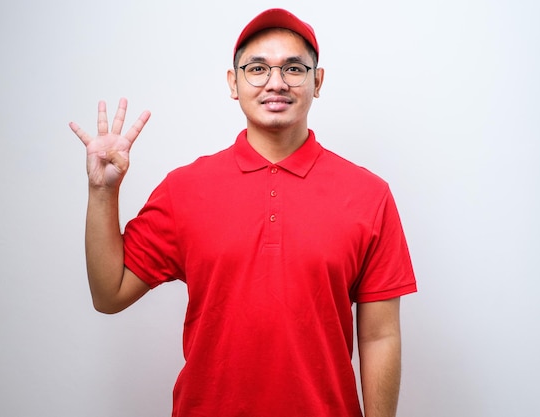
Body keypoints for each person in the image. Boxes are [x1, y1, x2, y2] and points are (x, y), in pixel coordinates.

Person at [69, 8, 416, 417]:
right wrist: (102, 192)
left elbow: (379, 336)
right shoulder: (185, 189)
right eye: (257, 68)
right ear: (233, 83)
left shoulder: (368, 195)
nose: (276, 83)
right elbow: (109, 295)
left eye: (293, 68)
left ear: (317, 82)